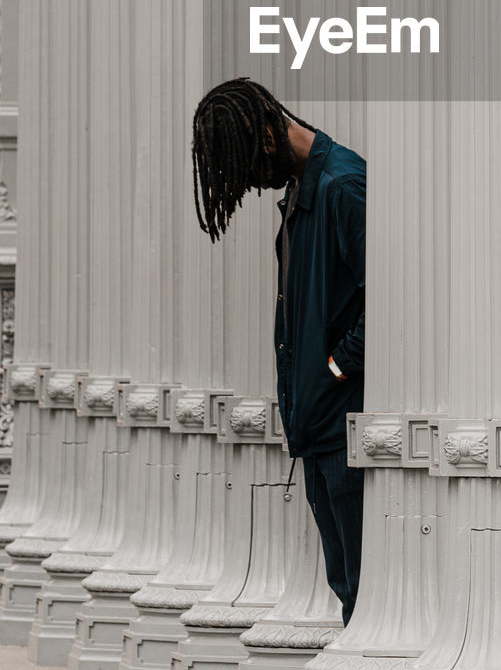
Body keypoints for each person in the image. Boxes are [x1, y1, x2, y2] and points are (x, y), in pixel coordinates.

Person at [191, 77, 366, 626]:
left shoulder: (342, 186)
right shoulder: (300, 197)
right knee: (345, 587)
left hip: (342, 422)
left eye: (246, 168)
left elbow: (387, 297)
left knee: (362, 590)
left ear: (266, 135)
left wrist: (335, 366)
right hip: (317, 423)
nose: (250, 184)